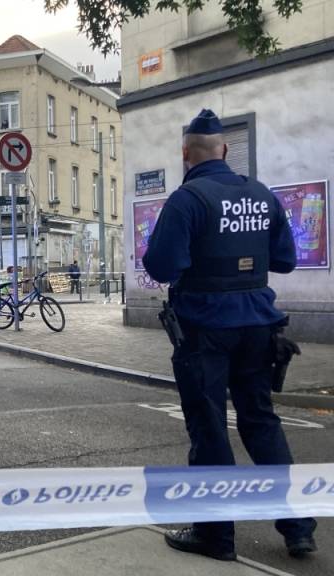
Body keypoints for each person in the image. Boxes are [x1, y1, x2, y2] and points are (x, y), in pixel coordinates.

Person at [143, 109, 316, 562]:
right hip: (259, 327)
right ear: (224, 149)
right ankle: (298, 527)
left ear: (186, 154)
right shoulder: (261, 195)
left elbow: (161, 266)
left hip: (205, 330)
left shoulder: (186, 200)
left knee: (210, 428)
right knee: (261, 421)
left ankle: (215, 535)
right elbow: (286, 260)